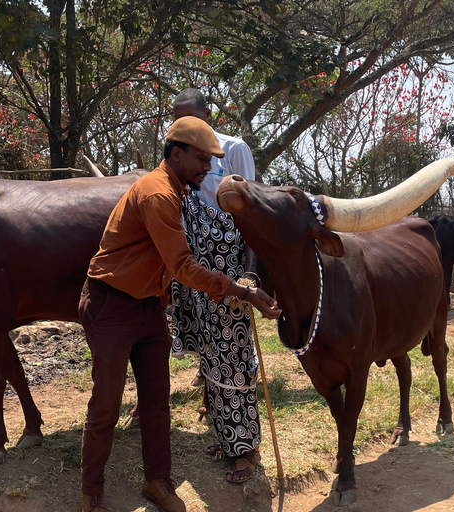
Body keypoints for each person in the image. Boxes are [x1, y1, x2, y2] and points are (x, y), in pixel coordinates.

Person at [78, 116, 280, 512]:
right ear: (175, 154)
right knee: (105, 404)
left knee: (157, 401)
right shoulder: (158, 195)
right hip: (112, 306)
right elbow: (183, 266)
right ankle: (92, 495)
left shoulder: (179, 193)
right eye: (202, 160)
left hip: (147, 307)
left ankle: (157, 482)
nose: (208, 169)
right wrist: (244, 291)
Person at [168, 88, 263, 484]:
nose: (186, 129)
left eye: (192, 119)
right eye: (178, 122)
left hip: (230, 269)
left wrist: (249, 276)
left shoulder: (232, 150)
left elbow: (252, 212)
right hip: (197, 271)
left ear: (207, 116)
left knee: (236, 360)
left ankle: (247, 450)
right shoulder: (182, 167)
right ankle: (228, 439)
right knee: (211, 360)